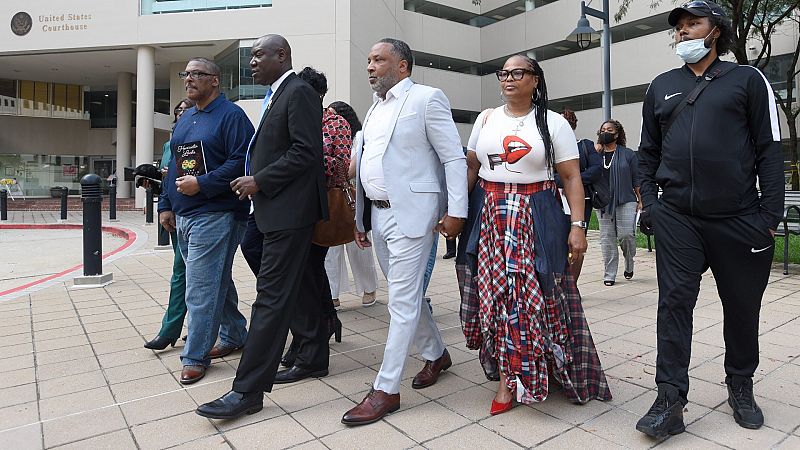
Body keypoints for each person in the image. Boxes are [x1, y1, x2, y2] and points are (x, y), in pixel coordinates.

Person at [635, 1, 784, 438]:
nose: (683, 32)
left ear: (715, 30)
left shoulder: (746, 79)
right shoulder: (662, 85)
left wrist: (769, 216)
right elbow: (648, 152)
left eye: (692, 24)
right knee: (674, 304)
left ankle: (740, 383)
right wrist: (652, 206)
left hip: (740, 218)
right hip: (678, 217)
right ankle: (669, 400)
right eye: (678, 27)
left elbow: (768, 150)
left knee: (741, 307)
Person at [462, 54, 611, 415]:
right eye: (504, 73)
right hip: (490, 213)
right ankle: (505, 375)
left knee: (534, 296)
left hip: (536, 213)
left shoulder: (554, 123)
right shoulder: (485, 119)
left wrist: (579, 227)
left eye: (518, 73)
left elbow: (572, 177)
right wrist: (455, 214)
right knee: (495, 296)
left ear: (535, 80)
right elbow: (470, 168)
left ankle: (530, 372)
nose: (509, 78)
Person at [196, 34, 327, 420]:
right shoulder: (277, 93)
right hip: (276, 208)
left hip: (289, 211)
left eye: (258, 55)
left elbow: (306, 151)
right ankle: (314, 355)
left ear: (281, 55)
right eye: (250, 56)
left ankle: (247, 390)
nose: (251, 62)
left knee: (269, 299)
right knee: (302, 284)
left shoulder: (298, 91)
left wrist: (260, 180)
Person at [341, 38, 468, 426]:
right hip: (378, 217)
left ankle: (386, 389)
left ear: (403, 66)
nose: (370, 66)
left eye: (378, 59)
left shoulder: (427, 99)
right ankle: (436, 353)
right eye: (368, 60)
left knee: (401, 299)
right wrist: (361, 219)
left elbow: (452, 156)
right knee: (407, 294)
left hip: (414, 214)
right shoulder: (374, 110)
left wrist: (456, 213)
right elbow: (367, 166)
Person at [157, 58, 253, 384]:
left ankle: (195, 355)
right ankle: (235, 333)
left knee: (200, 288)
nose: (189, 79)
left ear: (215, 81)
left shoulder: (232, 116)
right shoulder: (186, 120)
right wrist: (166, 204)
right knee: (213, 282)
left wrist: (204, 183)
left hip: (217, 214)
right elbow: (175, 168)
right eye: (186, 74)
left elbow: (244, 161)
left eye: (198, 74)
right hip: (183, 216)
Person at [273, 67, 344, 383]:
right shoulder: (302, 117)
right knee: (309, 273)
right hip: (298, 206)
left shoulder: (334, 122)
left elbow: (340, 165)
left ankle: (314, 337)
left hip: (322, 204)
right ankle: (318, 329)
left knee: (309, 272)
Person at [144, 98, 195, 351]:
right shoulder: (169, 143)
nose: (181, 114)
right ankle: (180, 328)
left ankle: (175, 329)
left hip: (198, 212)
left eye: (186, 110)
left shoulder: (202, 136)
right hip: (175, 211)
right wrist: (163, 204)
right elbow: (167, 178)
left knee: (188, 273)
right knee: (183, 273)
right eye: (178, 111)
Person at [323, 100, 378, 309]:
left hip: (354, 196)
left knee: (358, 246)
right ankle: (332, 293)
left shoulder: (358, 137)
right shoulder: (326, 135)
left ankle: (369, 288)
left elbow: (352, 167)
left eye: (334, 114)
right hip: (331, 197)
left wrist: (338, 172)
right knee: (331, 249)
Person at [555, 109, 602, 281]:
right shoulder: (547, 147)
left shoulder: (585, 145)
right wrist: (566, 179)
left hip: (581, 200)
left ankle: (571, 286)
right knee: (556, 241)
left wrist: (572, 179)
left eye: (566, 121)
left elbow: (596, 170)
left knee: (576, 242)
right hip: (554, 199)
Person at [594, 119, 641, 286]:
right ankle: (609, 274)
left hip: (626, 199)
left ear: (617, 133)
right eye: (603, 129)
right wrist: (594, 151)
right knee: (607, 239)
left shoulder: (628, 154)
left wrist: (640, 201)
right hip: (603, 202)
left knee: (626, 235)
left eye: (609, 129)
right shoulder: (595, 155)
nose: (605, 132)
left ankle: (629, 261)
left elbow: (636, 179)